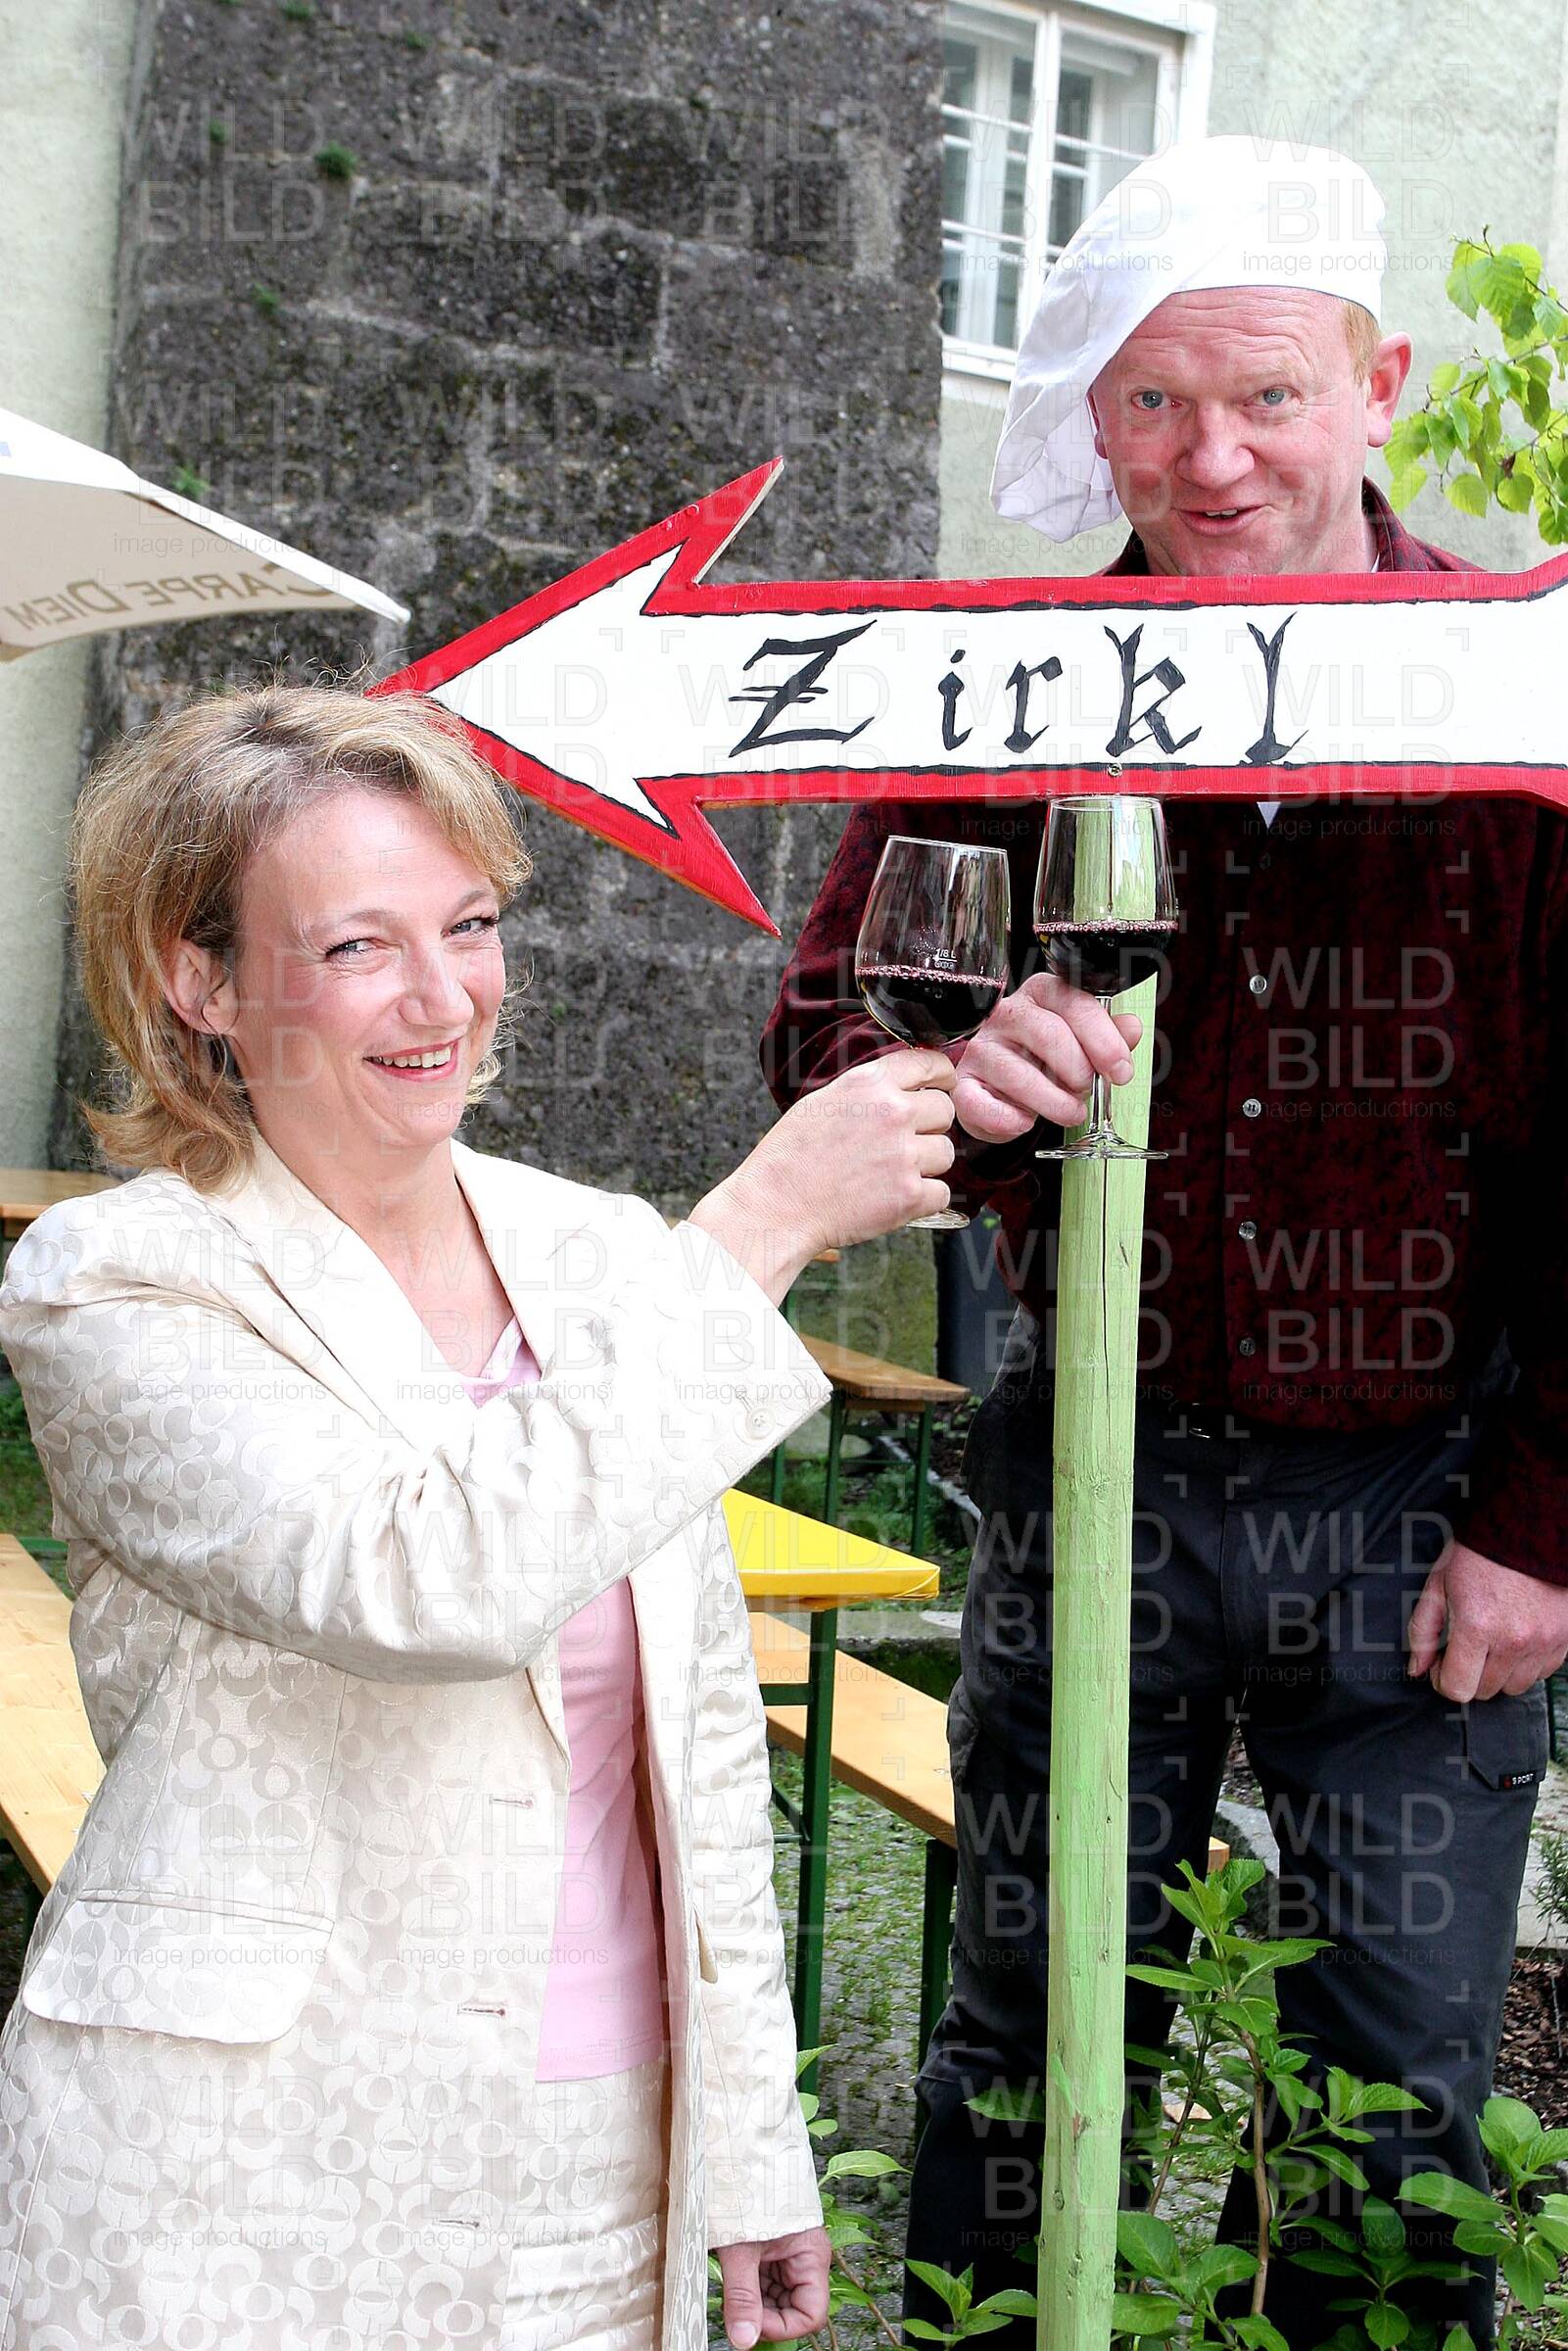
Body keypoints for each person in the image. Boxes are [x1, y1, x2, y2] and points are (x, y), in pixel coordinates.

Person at [761, 136, 1568, 2349]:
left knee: (1389, 2099)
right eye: (1152, 404)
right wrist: (951, 1064)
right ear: (1092, 421)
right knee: (1025, 2045)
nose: (1211, 462)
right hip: (1089, 1462)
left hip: (1424, 1497)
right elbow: (822, 1028)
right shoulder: (1003, 690)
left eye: (1268, 397)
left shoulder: (1519, 700)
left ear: (1377, 387)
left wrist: (1545, 1517)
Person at [0, 682, 959, 2351]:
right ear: (198, 980)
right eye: (356, 946)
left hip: (609, 2167)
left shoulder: (601, 1256)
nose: (442, 996)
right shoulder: (118, 1283)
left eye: (469, 924)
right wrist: (762, 1224)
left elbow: (698, 1743)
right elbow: (421, 1582)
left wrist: (749, 2147)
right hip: (240, 2172)